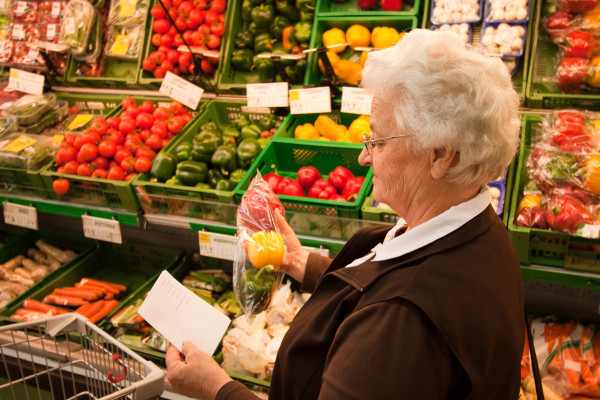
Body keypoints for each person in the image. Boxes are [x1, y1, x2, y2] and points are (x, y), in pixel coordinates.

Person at [165, 28, 525, 400]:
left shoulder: (399, 325)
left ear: (440, 155)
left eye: (378, 140)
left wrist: (217, 389)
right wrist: (301, 262)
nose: (363, 157)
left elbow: (394, 304)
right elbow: (386, 278)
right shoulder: (478, 227)